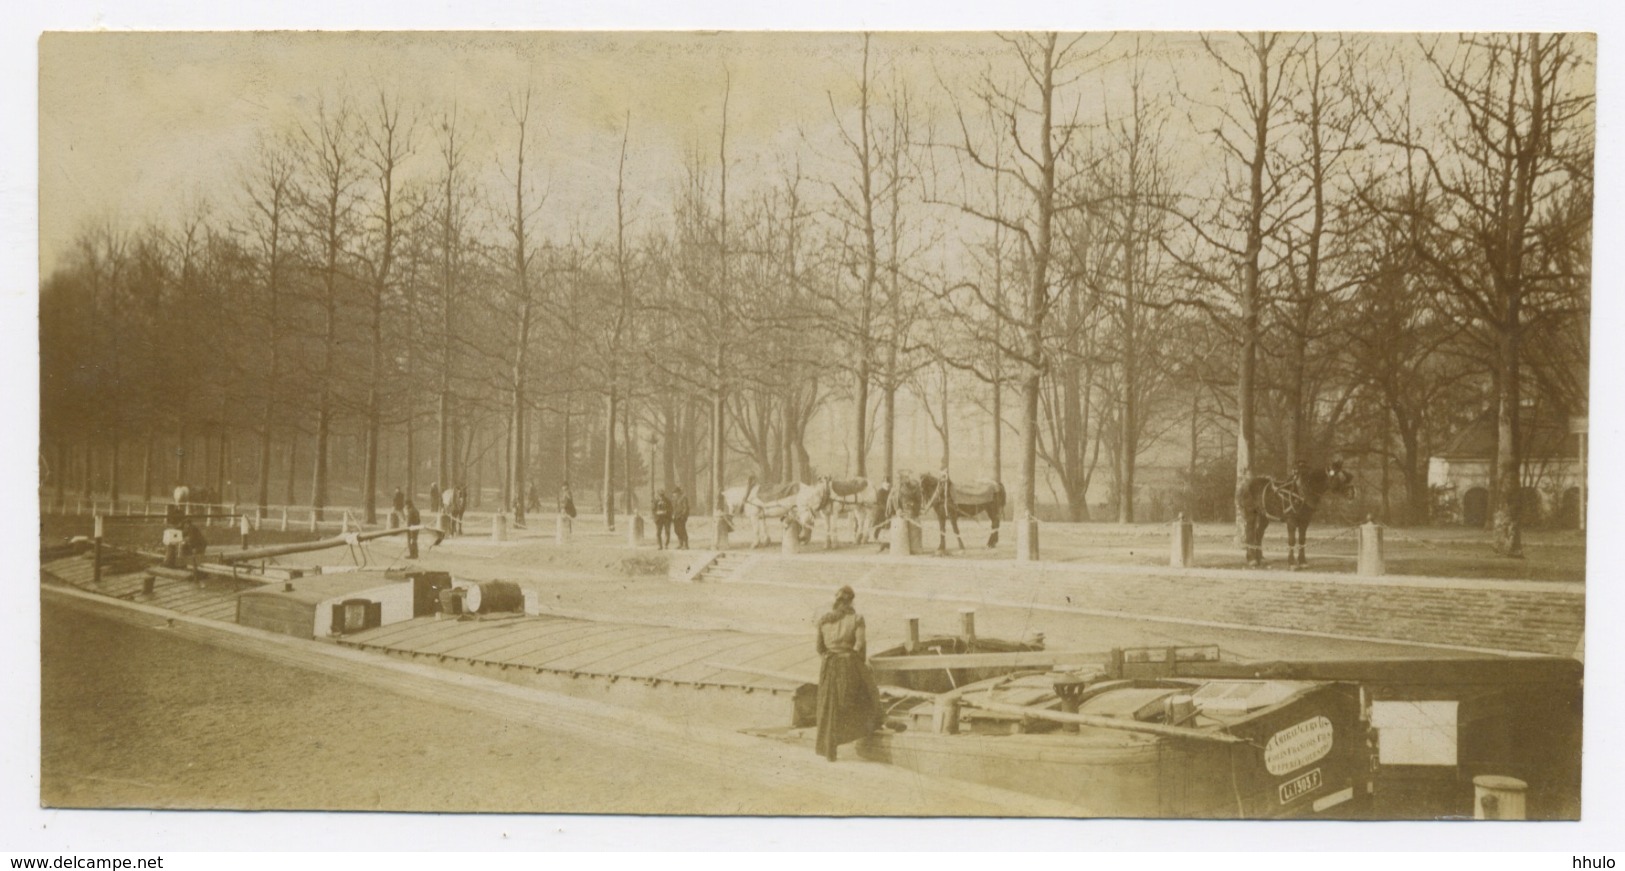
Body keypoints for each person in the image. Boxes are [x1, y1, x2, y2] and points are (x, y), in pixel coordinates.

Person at [814, 585, 881, 761]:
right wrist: (857, 661)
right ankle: (862, 734)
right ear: (851, 601)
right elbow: (860, 644)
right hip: (847, 664)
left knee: (829, 705)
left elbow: (819, 648)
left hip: (829, 666)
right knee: (867, 695)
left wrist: (830, 657)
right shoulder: (857, 618)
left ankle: (829, 749)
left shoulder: (824, 620)